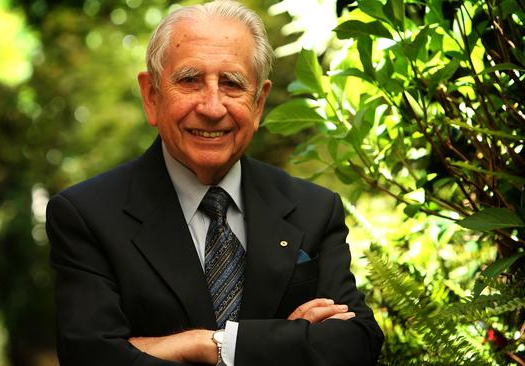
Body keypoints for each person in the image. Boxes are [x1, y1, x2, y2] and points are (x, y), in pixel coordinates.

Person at [45, 1, 384, 365]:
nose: (212, 106)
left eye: (232, 83)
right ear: (151, 96)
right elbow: (90, 357)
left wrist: (215, 345)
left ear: (258, 104)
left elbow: (356, 343)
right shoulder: (87, 216)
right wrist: (235, 343)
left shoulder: (314, 209)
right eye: (190, 80)